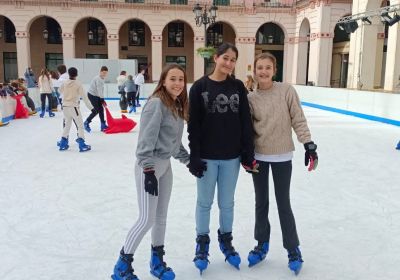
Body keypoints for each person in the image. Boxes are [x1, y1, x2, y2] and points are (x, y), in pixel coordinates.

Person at [111, 64, 190, 280]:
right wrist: (147, 170)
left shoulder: (175, 105)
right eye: (172, 79)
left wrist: (189, 161)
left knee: (161, 217)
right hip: (150, 166)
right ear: (163, 81)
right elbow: (145, 141)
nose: (177, 83)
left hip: (165, 166)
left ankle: (157, 261)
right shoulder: (156, 104)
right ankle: (122, 266)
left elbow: (174, 143)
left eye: (181, 79)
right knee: (147, 218)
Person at [187, 42, 257, 273]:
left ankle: (226, 240)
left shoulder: (238, 86)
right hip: (206, 157)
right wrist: (194, 157)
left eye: (233, 60)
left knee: (227, 204)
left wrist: (248, 152)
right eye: (225, 58)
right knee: (204, 203)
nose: (229, 63)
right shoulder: (199, 87)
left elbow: (245, 122)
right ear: (215, 58)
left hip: (231, 158)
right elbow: (193, 127)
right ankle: (202, 243)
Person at [246, 52, 318, 275]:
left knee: (283, 203)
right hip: (259, 156)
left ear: (274, 70)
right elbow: (247, 130)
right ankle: (262, 244)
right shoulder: (251, 98)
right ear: (255, 70)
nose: (264, 72)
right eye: (260, 68)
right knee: (261, 203)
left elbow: (298, 117)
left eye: (268, 67)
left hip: (282, 156)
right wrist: (246, 156)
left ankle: (292, 248)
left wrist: (309, 145)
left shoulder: (286, 91)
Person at [57, 67, 94, 152]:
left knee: (67, 125)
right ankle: (81, 144)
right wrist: (91, 108)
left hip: (65, 107)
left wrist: (67, 93)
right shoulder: (78, 84)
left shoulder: (65, 82)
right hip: (74, 107)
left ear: (69, 74)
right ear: (76, 74)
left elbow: (59, 90)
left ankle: (63, 143)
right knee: (80, 125)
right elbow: (85, 97)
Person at [84, 66, 108, 132]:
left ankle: (103, 125)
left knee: (101, 110)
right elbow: (99, 89)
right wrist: (102, 98)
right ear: (100, 71)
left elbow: (101, 90)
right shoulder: (98, 79)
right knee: (96, 110)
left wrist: (102, 98)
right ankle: (86, 122)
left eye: (106, 73)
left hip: (97, 95)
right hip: (92, 95)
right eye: (103, 72)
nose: (104, 74)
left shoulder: (102, 78)